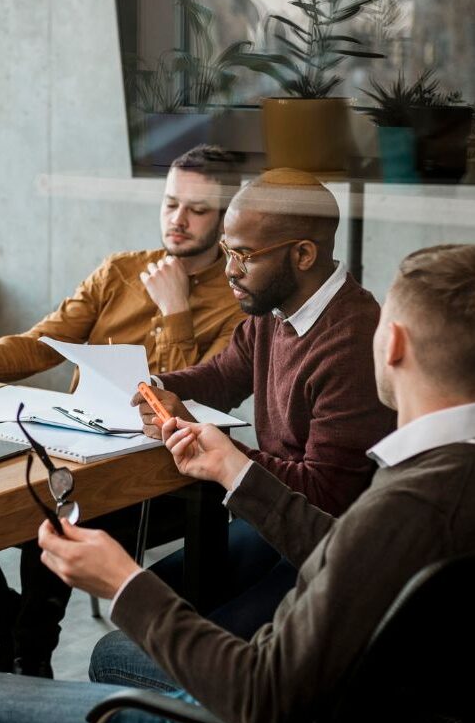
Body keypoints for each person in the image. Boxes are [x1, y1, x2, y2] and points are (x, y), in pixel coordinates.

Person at [0, 243, 475, 723]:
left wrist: (124, 581)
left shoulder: (407, 500)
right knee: (119, 657)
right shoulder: (445, 480)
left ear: (393, 343)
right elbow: (355, 553)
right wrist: (236, 469)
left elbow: (259, 698)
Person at [0, 145, 246, 689]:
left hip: (164, 474)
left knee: (55, 513)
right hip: (78, 446)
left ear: (225, 219)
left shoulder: (239, 301)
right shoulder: (120, 271)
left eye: (197, 210)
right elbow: (42, 344)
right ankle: (7, 628)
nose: (177, 219)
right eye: (171, 203)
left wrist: (175, 311)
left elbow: (188, 399)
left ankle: (29, 656)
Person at [130, 168, 396, 639]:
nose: (229, 268)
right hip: (271, 522)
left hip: (323, 550)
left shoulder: (353, 341)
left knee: (150, 640)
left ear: (304, 254)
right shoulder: (276, 308)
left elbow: (325, 498)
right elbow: (221, 376)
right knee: (140, 606)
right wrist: (150, 384)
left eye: (243, 255)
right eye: (228, 251)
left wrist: (221, 454)